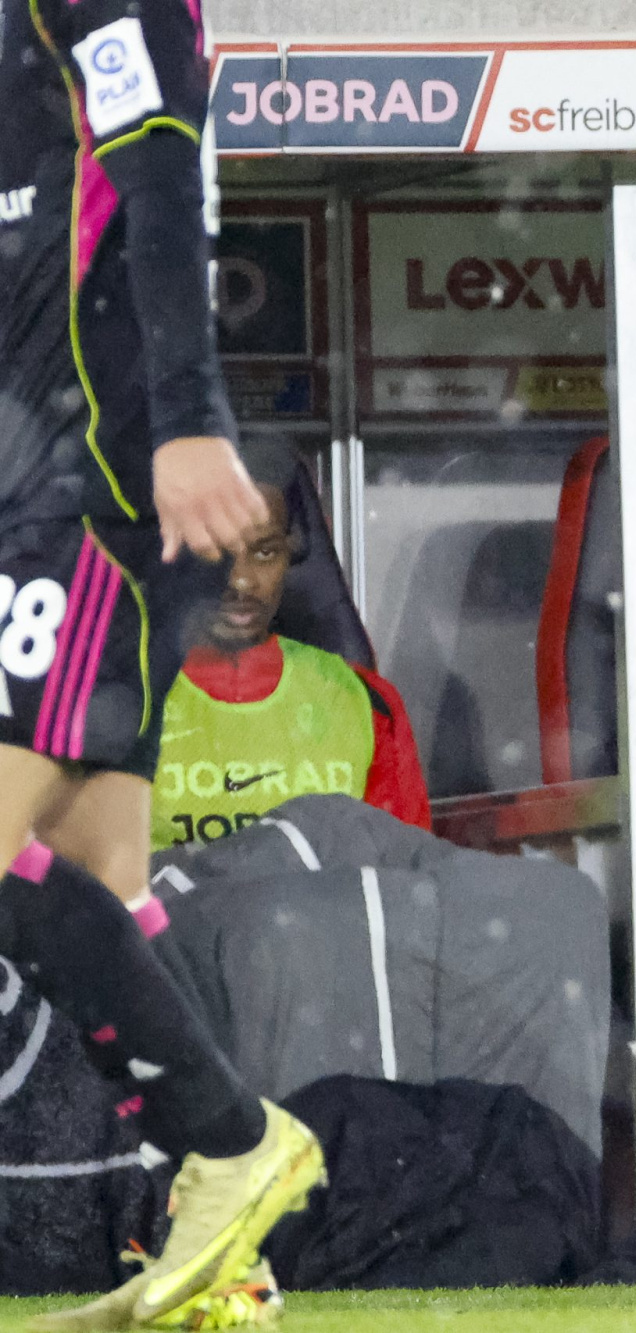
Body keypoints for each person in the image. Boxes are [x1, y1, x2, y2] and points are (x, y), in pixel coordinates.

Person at [0, 2, 324, 1328]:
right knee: (90, 873)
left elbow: (160, 180)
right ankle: (222, 1257)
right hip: (35, 491)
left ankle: (233, 1143)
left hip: (95, 498)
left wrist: (191, 423)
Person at [152, 442, 429, 851]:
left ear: (291, 556)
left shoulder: (363, 703)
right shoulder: (122, 701)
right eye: (217, 550)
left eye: (265, 552)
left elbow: (405, 872)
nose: (241, 580)